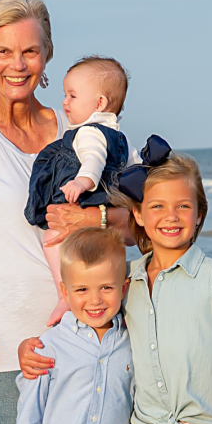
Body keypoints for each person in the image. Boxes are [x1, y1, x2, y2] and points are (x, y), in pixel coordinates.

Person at [0, 0, 132, 424]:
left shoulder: (85, 127)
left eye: (30, 51)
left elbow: (139, 221)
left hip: (94, 342)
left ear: (46, 55)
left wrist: (96, 221)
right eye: (3, 51)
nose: (17, 64)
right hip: (5, 355)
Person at [19, 140, 212, 424]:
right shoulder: (126, 280)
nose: (170, 216)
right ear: (138, 215)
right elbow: (86, 325)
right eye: (157, 206)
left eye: (183, 206)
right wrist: (31, 348)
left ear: (199, 213)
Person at [24, 56, 143, 327]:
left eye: (72, 95)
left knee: (52, 240)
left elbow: (93, 160)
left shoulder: (88, 133)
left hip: (86, 201)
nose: (65, 102)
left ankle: (63, 293)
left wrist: (82, 182)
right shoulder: (122, 138)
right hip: (107, 209)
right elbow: (136, 170)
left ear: (99, 103)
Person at [13, 227, 134, 424]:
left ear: (123, 289)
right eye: (82, 289)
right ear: (65, 292)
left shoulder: (131, 345)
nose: (95, 300)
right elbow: (29, 415)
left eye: (106, 288)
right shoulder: (48, 347)